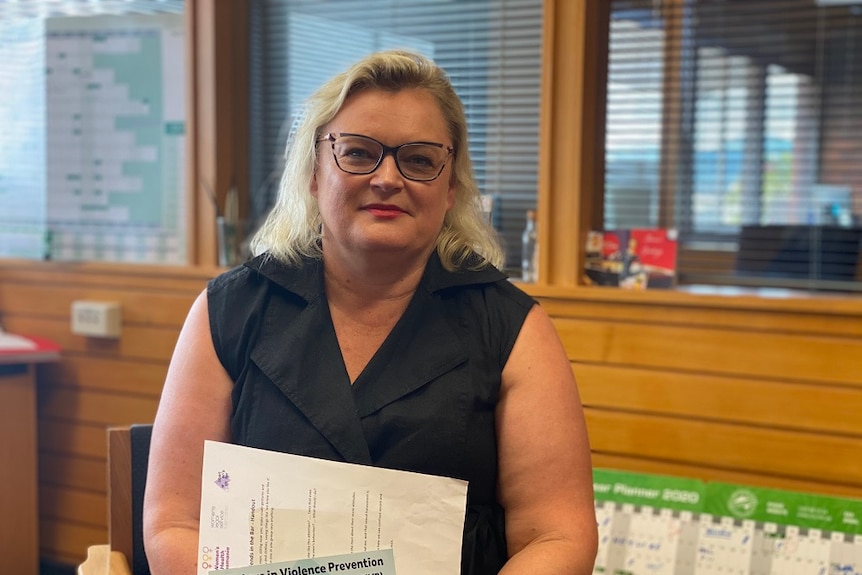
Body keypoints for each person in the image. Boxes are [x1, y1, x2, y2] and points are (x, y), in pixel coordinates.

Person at [143, 49, 597, 575]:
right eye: (358, 153)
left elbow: (559, 536)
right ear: (315, 173)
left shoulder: (512, 329)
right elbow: (174, 524)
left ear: (450, 188)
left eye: (420, 159)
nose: (387, 178)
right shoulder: (229, 312)